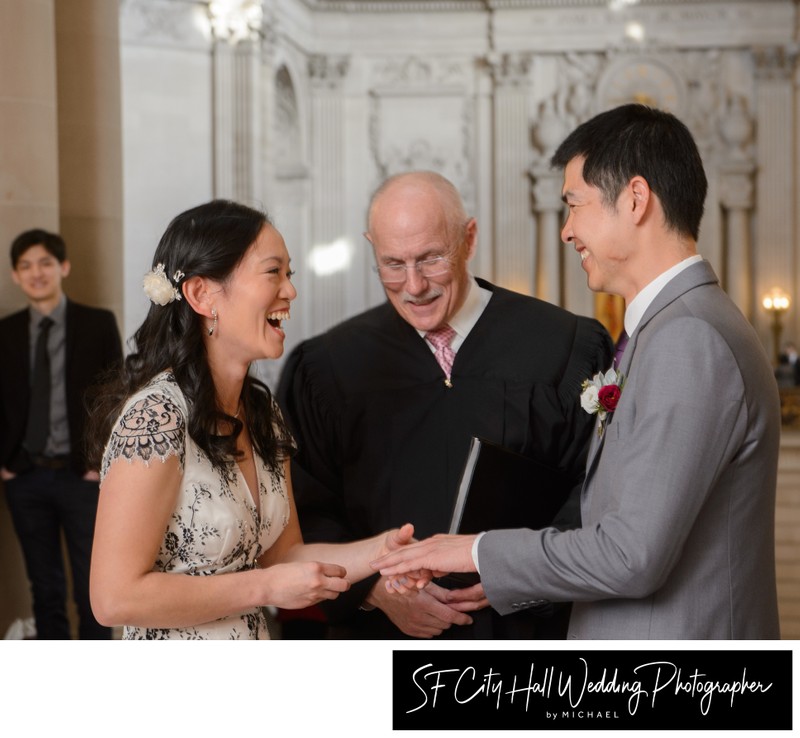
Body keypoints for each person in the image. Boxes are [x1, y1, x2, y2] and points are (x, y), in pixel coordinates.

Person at [373, 105, 782, 640]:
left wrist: (473, 550)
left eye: (574, 205)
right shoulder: (668, 329)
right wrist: (508, 578)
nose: (567, 231)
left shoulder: (689, 339)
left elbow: (631, 555)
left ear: (635, 199)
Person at [277, 170, 613, 639]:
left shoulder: (564, 346)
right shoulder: (329, 368)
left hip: (524, 639)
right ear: (371, 246)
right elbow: (301, 513)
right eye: (392, 263)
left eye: (431, 258)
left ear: (468, 238)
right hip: (382, 646)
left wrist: (516, 577)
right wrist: (374, 589)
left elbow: (597, 487)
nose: (414, 286)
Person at [86, 199, 414, 640]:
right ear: (202, 294)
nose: (290, 290)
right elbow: (113, 599)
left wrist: (383, 552)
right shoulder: (156, 417)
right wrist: (262, 587)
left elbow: (283, 558)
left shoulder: (263, 414)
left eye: (289, 274)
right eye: (272, 272)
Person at [0, 229, 122, 639]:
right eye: (26, 266)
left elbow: (115, 398)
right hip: (25, 476)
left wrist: (98, 462)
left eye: (45, 263)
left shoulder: (97, 323)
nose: (36, 273)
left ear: (63, 267)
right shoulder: (5, 332)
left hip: (81, 477)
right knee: (45, 588)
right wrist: (6, 463)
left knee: (94, 587)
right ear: (16, 275)